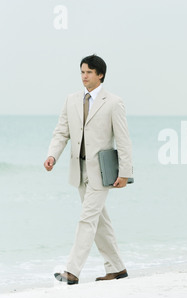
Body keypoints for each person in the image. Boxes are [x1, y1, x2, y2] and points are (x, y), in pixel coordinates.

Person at [44, 54, 133, 285]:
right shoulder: (71, 100)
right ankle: (117, 268)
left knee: (87, 220)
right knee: (100, 221)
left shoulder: (113, 102)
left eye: (89, 72)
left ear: (100, 74)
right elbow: (62, 132)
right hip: (79, 170)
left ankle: (72, 272)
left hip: (102, 173)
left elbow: (123, 140)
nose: (84, 76)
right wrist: (53, 154)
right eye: (82, 72)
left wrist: (125, 172)